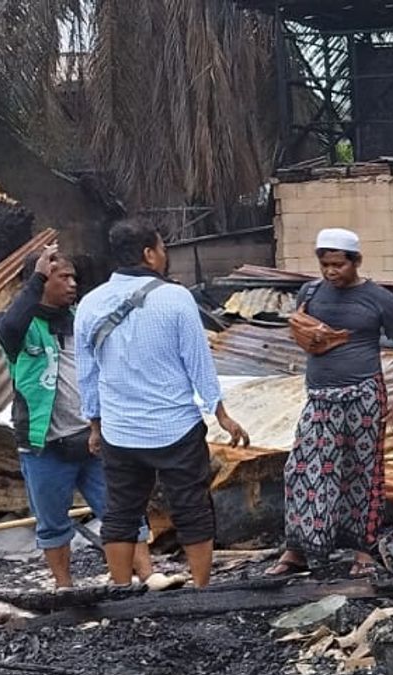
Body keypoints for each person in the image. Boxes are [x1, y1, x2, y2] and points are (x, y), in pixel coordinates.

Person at [75, 218, 250, 588]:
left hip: (120, 432)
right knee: (191, 508)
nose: (165, 255)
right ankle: (201, 588)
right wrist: (220, 413)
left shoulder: (89, 304)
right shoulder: (175, 298)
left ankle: (122, 591)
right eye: (163, 249)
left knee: (121, 514)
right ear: (148, 254)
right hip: (176, 428)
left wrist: (94, 425)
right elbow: (197, 361)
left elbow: (87, 373)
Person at [266, 228, 393, 578]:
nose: (331, 272)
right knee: (303, 470)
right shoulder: (311, 292)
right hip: (320, 398)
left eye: (338, 265)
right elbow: (300, 331)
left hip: (363, 394)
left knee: (362, 472)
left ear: (356, 261)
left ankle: (362, 551)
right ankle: (300, 549)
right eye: (325, 265)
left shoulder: (378, 298)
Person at [0, 247, 151, 589]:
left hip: (94, 438)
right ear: (38, 282)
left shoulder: (83, 317)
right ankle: (64, 586)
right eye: (61, 277)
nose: (71, 284)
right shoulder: (18, 327)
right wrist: (35, 278)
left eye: (73, 277)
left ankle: (146, 576)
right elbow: (10, 325)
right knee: (52, 522)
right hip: (44, 444)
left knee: (121, 508)